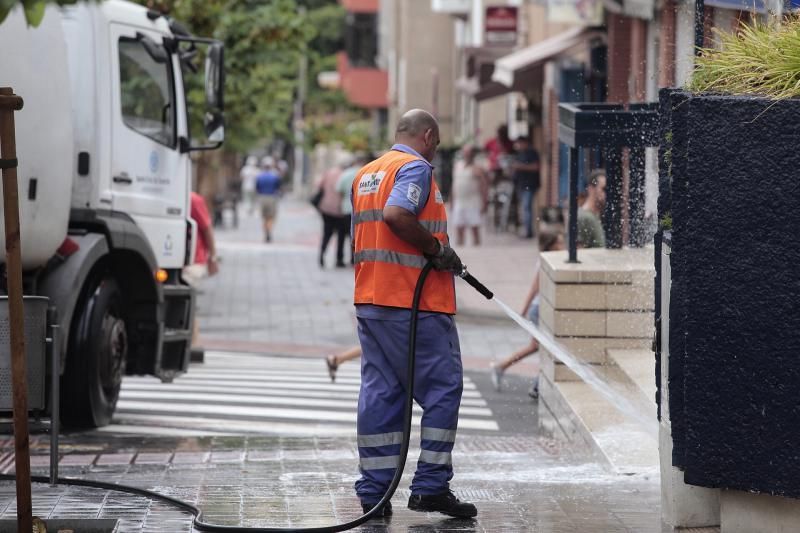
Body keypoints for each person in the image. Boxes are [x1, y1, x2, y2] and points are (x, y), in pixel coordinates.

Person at [351, 109, 477, 519]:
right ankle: (430, 486)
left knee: (383, 391)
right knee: (443, 389)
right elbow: (396, 215)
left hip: (372, 300)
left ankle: (374, 492)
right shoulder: (415, 169)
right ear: (426, 135)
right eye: (436, 144)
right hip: (413, 304)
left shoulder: (367, 173)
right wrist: (437, 249)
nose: (435, 153)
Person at [490, 229, 565, 397]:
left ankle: (501, 367)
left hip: (541, 309)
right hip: (539, 310)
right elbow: (534, 289)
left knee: (536, 347)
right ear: (551, 246)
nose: (562, 246)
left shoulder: (551, 260)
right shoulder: (544, 262)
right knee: (546, 348)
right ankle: (536, 385)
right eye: (559, 243)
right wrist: (523, 311)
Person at [183, 192, 220, 357]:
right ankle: (192, 342)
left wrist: (213, 256)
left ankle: (193, 343)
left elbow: (207, 228)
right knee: (187, 302)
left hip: (194, 260)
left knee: (187, 300)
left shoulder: (194, 200)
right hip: (176, 260)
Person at [450, 145, 488, 246]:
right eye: (465, 152)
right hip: (459, 201)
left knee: (474, 227)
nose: (467, 155)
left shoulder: (477, 168)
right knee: (459, 227)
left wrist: (484, 201)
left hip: (473, 201)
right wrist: (452, 201)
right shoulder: (458, 165)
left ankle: (477, 248)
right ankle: (460, 249)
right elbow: (454, 184)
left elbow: (484, 185)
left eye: (469, 152)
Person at [316, 157, 349, 268]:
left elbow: (319, 185)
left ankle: (322, 254)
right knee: (341, 235)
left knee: (327, 233)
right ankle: (339, 259)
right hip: (339, 210)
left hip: (326, 207)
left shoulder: (329, 173)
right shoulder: (345, 175)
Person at [336, 153, 367, 265]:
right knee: (356, 236)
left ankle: (339, 259)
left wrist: (339, 206)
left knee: (342, 235)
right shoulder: (365, 173)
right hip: (361, 209)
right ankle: (353, 258)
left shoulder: (346, 174)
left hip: (345, 208)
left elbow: (339, 190)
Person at [511, 136, 540, 239]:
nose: (518, 145)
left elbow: (535, 167)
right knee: (523, 208)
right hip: (521, 184)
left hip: (530, 184)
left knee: (527, 207)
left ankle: (529, 232)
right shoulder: (519, 154)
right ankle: (526, 229)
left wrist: (520, 166)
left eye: (520, 143)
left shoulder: (531, 153)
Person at [577, 169, 607, 248]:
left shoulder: (598, 215)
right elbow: (579, 251)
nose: (606, 194)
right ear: (591, 189)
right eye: (604, 189)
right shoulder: (584, 217)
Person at [255, 157, 282, 243]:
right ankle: (269, 232)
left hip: (262, 197)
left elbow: (257, 188)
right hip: (272, 197)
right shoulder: (275, 176)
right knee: (271, 217)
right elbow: (278, 187)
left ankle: (266, 232)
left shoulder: (260, 176)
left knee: (264, 217)